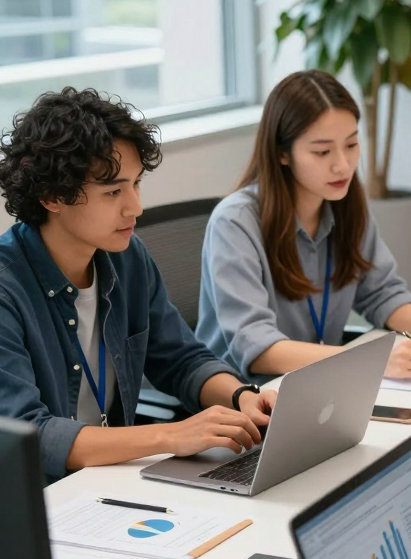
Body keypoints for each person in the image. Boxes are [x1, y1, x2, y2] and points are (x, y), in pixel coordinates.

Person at [0, 88, 276, 482]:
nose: (135, 207)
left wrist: (242, 397)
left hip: (116, 480)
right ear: (52, 196)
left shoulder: (126, 258)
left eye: (136, 184)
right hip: (44, 502)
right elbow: (32, 437)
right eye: (113, 191)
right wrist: (171, 435)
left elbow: (181, 360)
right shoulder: (7, 291)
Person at [197, 70, 411, 385]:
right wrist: (371, 361)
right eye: (322, 152)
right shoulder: (236, 222)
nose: (343, 165)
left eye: (351, 145)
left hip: (322, 385)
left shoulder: (345, 204)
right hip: (246, 400)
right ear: (282, 153)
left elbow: (381, 292)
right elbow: (256, 348)